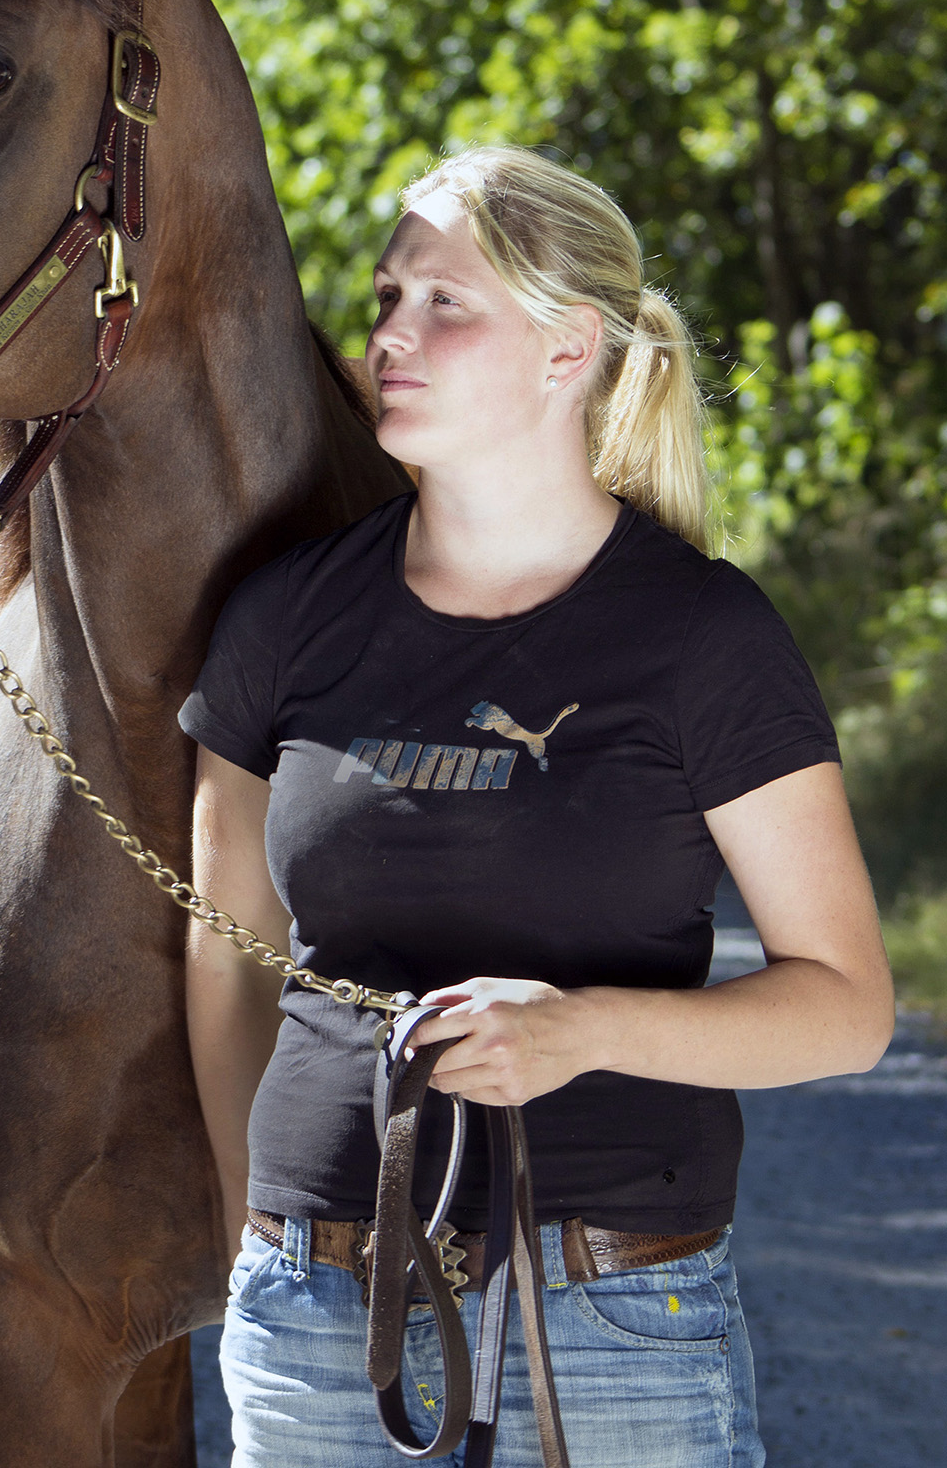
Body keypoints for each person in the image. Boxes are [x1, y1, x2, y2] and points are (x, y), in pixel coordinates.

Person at [179, 146, 894, 1467]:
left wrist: (581, 1031)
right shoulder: (283, 617)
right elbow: (226, 953)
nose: (390, 335)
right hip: (314, 1311)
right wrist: (254, 1227)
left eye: (445, 302)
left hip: (610, 1318)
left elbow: (848, 1008)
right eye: (388, 297)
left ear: (571, 349)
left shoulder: (705, 636)